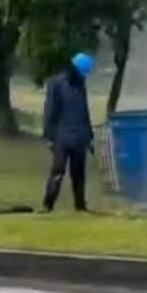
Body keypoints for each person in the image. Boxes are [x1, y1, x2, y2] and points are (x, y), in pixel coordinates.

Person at [42, 51, 95, 212]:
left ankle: (80, 206)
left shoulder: (81, 86)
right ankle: (48, 205)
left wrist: (89, 136)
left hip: (79, 137)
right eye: (83, 72)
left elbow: (84, 111)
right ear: (76, 69)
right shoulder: (56, 84)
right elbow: (50, 110)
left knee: (78, 174)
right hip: (61, 137)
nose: (84, 76)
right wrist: (49, 136)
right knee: (58, 171)